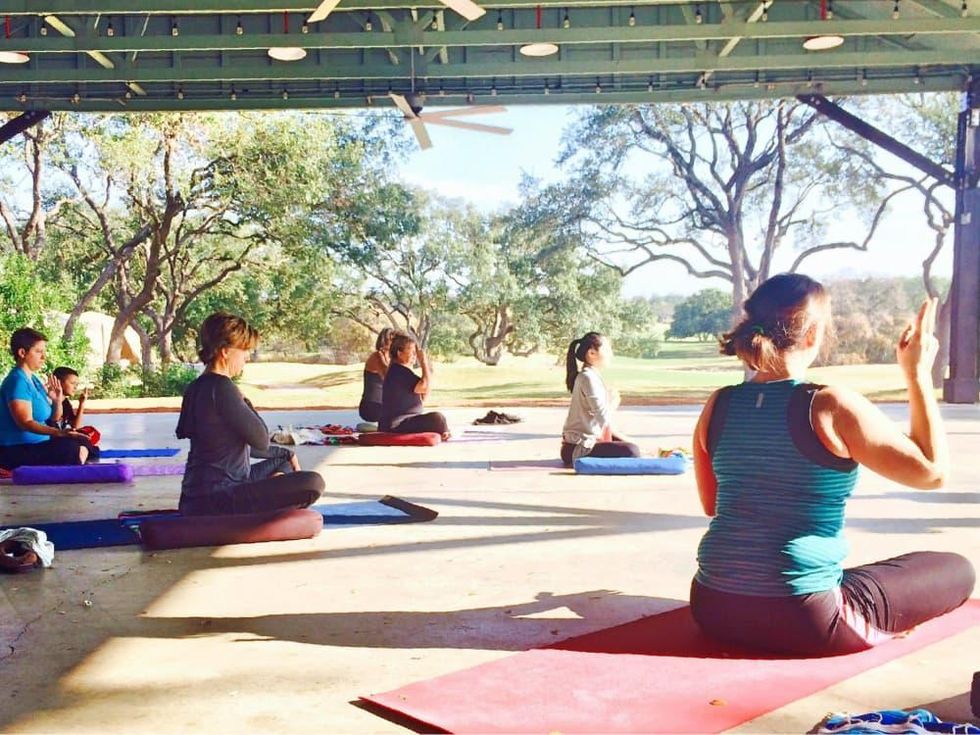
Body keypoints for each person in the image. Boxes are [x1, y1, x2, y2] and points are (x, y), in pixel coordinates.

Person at [691, 273, 974, 656]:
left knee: (868, 573)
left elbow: (713, 506)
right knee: (956, 569)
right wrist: (917, 372)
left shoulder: (718, 404)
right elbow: (933, 473)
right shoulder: (827, 405)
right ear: (812, 334)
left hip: (712, 607)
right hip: (804, 620)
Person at [175, 312, 325, 515]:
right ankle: (268, 506)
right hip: (218, 498)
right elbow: (261, 440)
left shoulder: (196, 387)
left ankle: (270, 498)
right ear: (225, 351)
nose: (247, 356)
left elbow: (235, 445)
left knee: (284, 460)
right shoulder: (222, 387)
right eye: (244, 349)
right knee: (312, 482)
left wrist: (286, 453)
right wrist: (245, 401)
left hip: (196, 496)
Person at [0, 328, 92, 469]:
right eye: (38, 352)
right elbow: (25, 423)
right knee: (71, 447)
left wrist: (56, 401)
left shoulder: (33, 379)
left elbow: (54, 418)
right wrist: (59, 433)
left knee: (81, 440)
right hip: (17, 450)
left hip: (39, 444)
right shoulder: (17, 381)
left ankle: (78, 457)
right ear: (22, 353)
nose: (44, 357)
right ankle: (77, 458)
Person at [560, 332, 640, 467]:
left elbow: (603, 424)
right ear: (591, 353)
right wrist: (613, 402)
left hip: (587, 441)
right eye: (607, 350)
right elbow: (603, 418)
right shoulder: (587, 378)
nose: (611, 354)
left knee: (632, 447)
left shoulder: (592, 375)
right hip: (578, 448)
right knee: (632, 451)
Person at [379, 332, 450, 439]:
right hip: (397, 424)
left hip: (407, 420)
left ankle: (444, 432)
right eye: (412, 352)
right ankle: (444, 432)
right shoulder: (398, 371)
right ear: (399, 353)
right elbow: (424, 386)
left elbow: (424, 394)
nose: (414, 356)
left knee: (438, 419)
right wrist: (423, 362)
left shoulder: (401, 371)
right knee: (438, 418)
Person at [359, 327, 394, 423]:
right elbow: (389, 377)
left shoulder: (390, 358)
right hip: (371, 407)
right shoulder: (377, 356)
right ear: (386, 341)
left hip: (382, 406)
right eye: (393, 340)